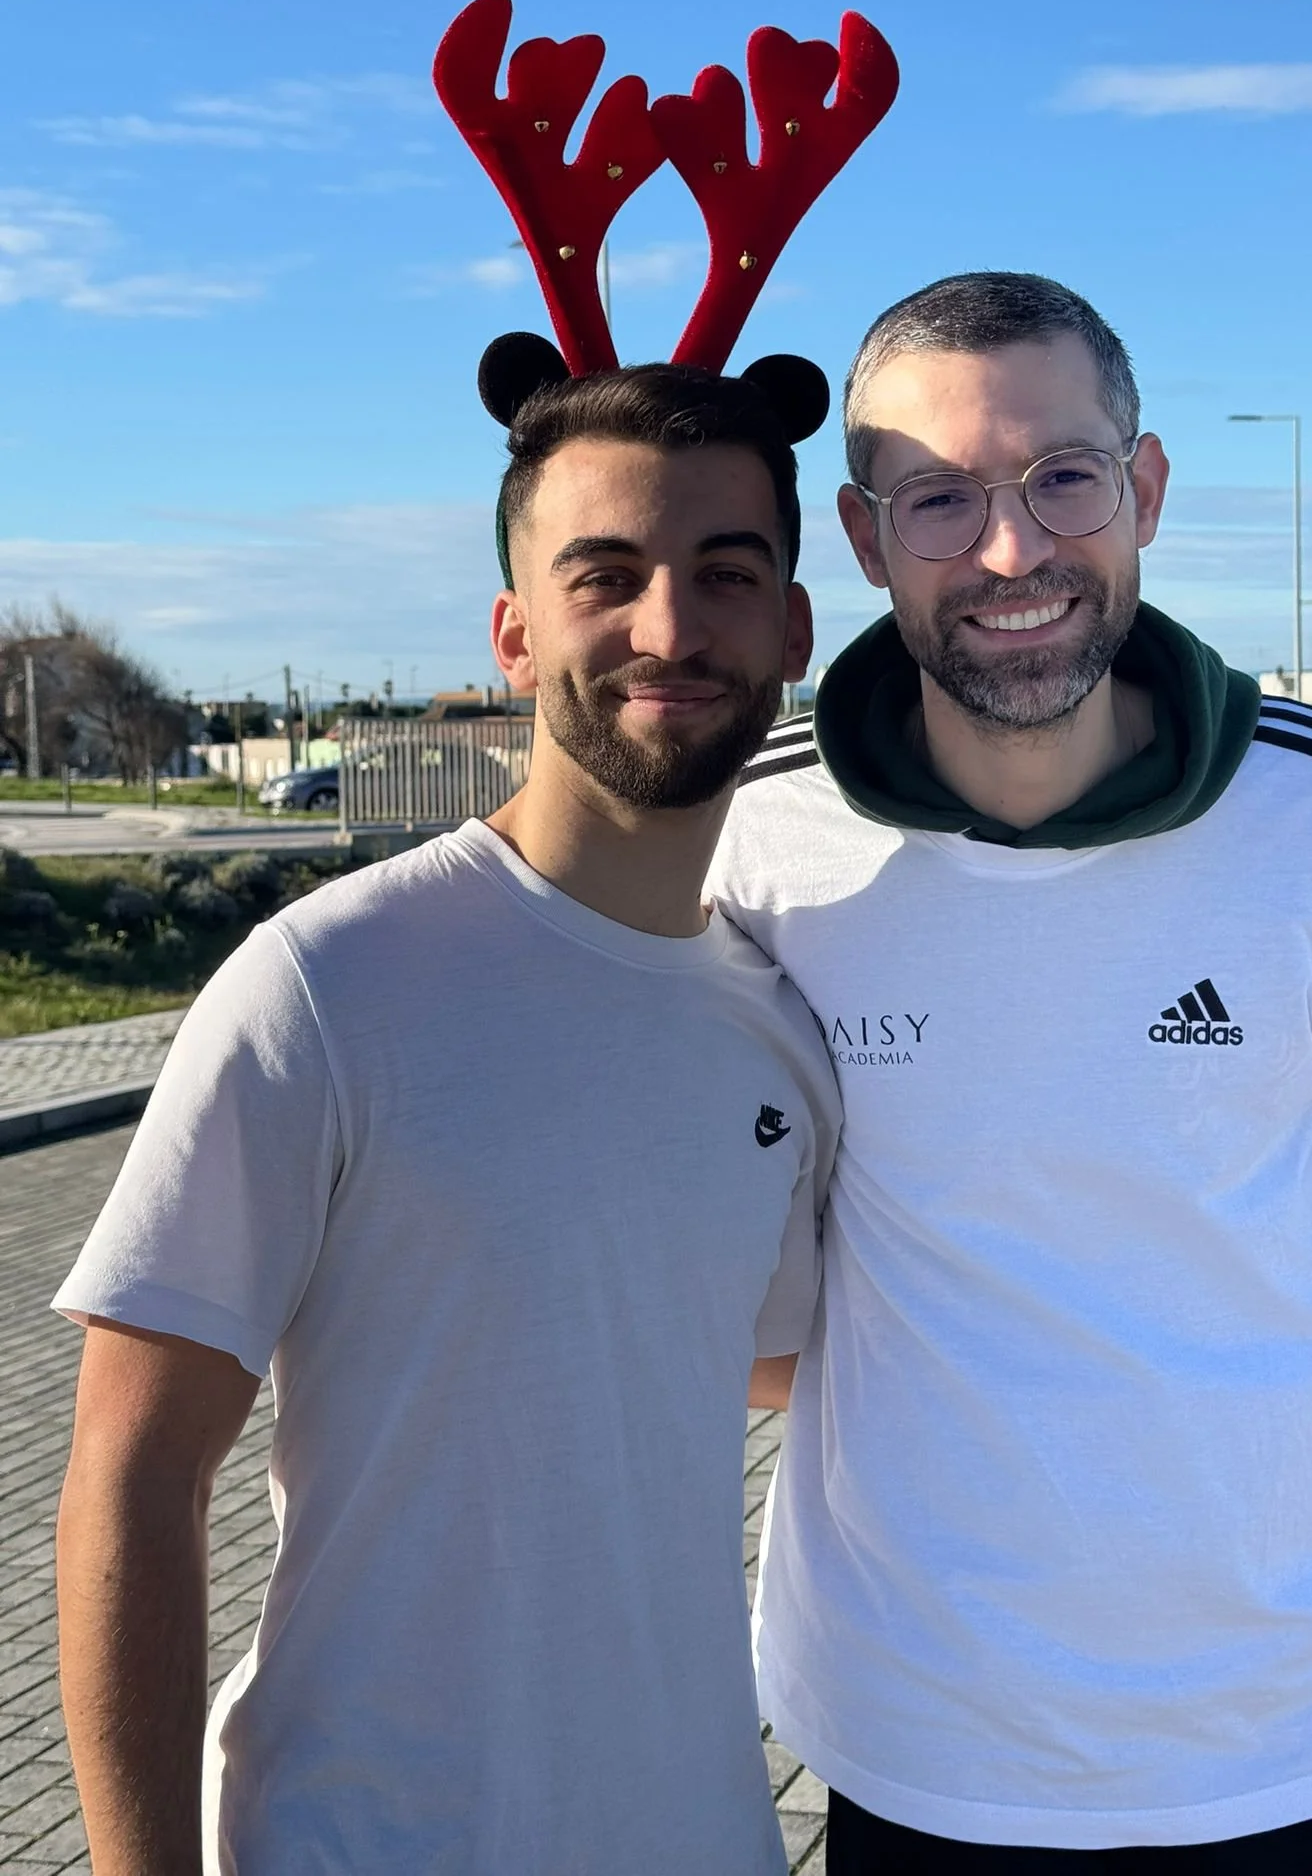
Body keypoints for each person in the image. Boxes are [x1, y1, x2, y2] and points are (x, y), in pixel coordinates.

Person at [711, 271, 1312, 1874]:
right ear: (866, 541)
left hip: (1293, 1744)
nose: (1010, 550)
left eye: (1061, 478)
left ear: (1144, 490)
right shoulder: (761, 841)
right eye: (939, 500)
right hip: (916, 1748)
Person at [53, 361, 840, 1875]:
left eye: (725, 576)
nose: (669, 628)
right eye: (603, 576)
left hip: (704, 1835)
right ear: (513, 628)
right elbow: (132, 1474)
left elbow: (746, 1355)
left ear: (794, 629)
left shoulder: (777, 1028)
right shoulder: (327, 988)